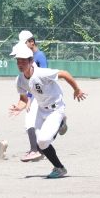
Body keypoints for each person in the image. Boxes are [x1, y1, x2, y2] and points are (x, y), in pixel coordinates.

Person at [9, 43, 86, 178]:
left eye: (23, 61)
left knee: (44, 141)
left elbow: (64, 73)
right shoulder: (20, 80)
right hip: (41, 109)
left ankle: (59, 166)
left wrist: (77, 89)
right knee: (40, 145)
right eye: (18, 61)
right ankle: (59, 168)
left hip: (56, 109)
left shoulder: (41, 73)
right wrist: (19, 107)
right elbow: (23, 99)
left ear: (31, 61)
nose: (20, 64)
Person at [12, 30, 62, 162]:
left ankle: (35, 150)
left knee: (31, 122)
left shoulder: (39, 56)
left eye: (24, 43)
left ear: (31, 42)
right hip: (35, 95)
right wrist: (25, 100)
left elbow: (41, 79)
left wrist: (29, 98)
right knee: (34, 125)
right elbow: (29, 81)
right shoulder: (26, 61)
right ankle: (37, 149)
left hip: (41, 95)